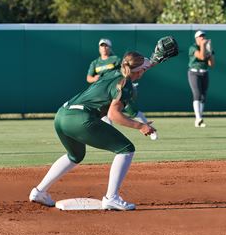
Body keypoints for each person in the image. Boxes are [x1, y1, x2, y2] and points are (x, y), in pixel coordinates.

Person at [29, 51, 156, 211]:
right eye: (144, 69)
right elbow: (113, 115)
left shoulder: (113, 72)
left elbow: (135, 67)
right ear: (138, 71)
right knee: (126, 149)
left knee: (75, 156)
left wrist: (152, 62)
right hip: (81, 119)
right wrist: (141, 126)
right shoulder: (126, 84)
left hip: (62, 115)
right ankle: (112, 198)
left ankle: (39, 192)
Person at [188, 30, 215, 127]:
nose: (202, 38)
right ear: (196, 38)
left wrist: (210, 51)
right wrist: (203, 46)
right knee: (197, 94)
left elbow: (211, 64)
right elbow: (202, 57)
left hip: (204, 73)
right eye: (200, 36)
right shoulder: (193, 47)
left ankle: (199, 120)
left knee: (203, 96)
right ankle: (198, 118)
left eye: (203, 36)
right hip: (194, 73)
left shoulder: (207, 47)